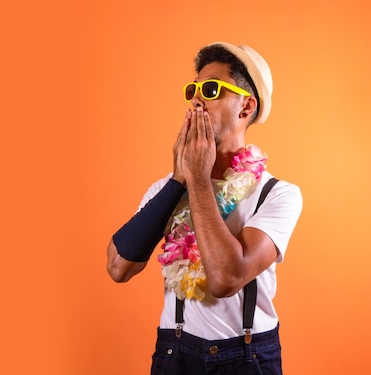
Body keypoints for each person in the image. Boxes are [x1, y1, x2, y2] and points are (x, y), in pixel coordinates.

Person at [106, 42, 302, 374]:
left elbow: (226, 278)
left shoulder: (277, 194)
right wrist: (179, 181)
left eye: (211, 89)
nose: (197, 98)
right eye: (193, 89)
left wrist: (196, 177)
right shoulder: (166, 188)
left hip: (247, 357)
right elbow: (118, 268)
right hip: (175, 353)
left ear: (245, 106)